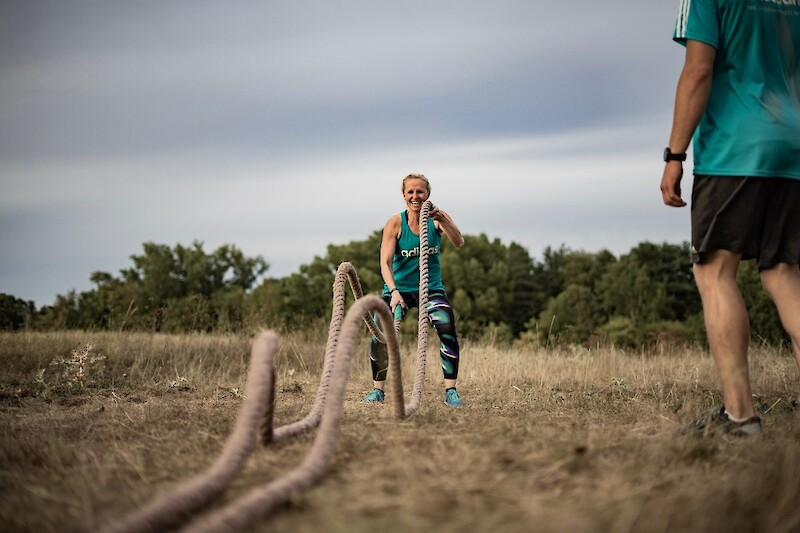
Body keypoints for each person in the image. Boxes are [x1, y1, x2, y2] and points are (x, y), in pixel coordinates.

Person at [661, 0, 800, 437]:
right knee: (783, 273)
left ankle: (740, 417)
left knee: (715, 272)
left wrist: (675, 155)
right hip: (793, 144)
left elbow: (698, 70)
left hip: (736, 148)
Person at [362, 173, 466, 407]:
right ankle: (378, 391)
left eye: (420, 191)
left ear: (428, 194)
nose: (415, 196)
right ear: (404, 195)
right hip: (399, 289)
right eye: (410, 192)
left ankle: (450, 391)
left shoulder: (437, 219)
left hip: (431, 289)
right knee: (380, 330)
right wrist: (394, 292)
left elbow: (459, 242)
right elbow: (384, 264)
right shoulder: (395, 223)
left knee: (446, 325)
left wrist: (443, 219)